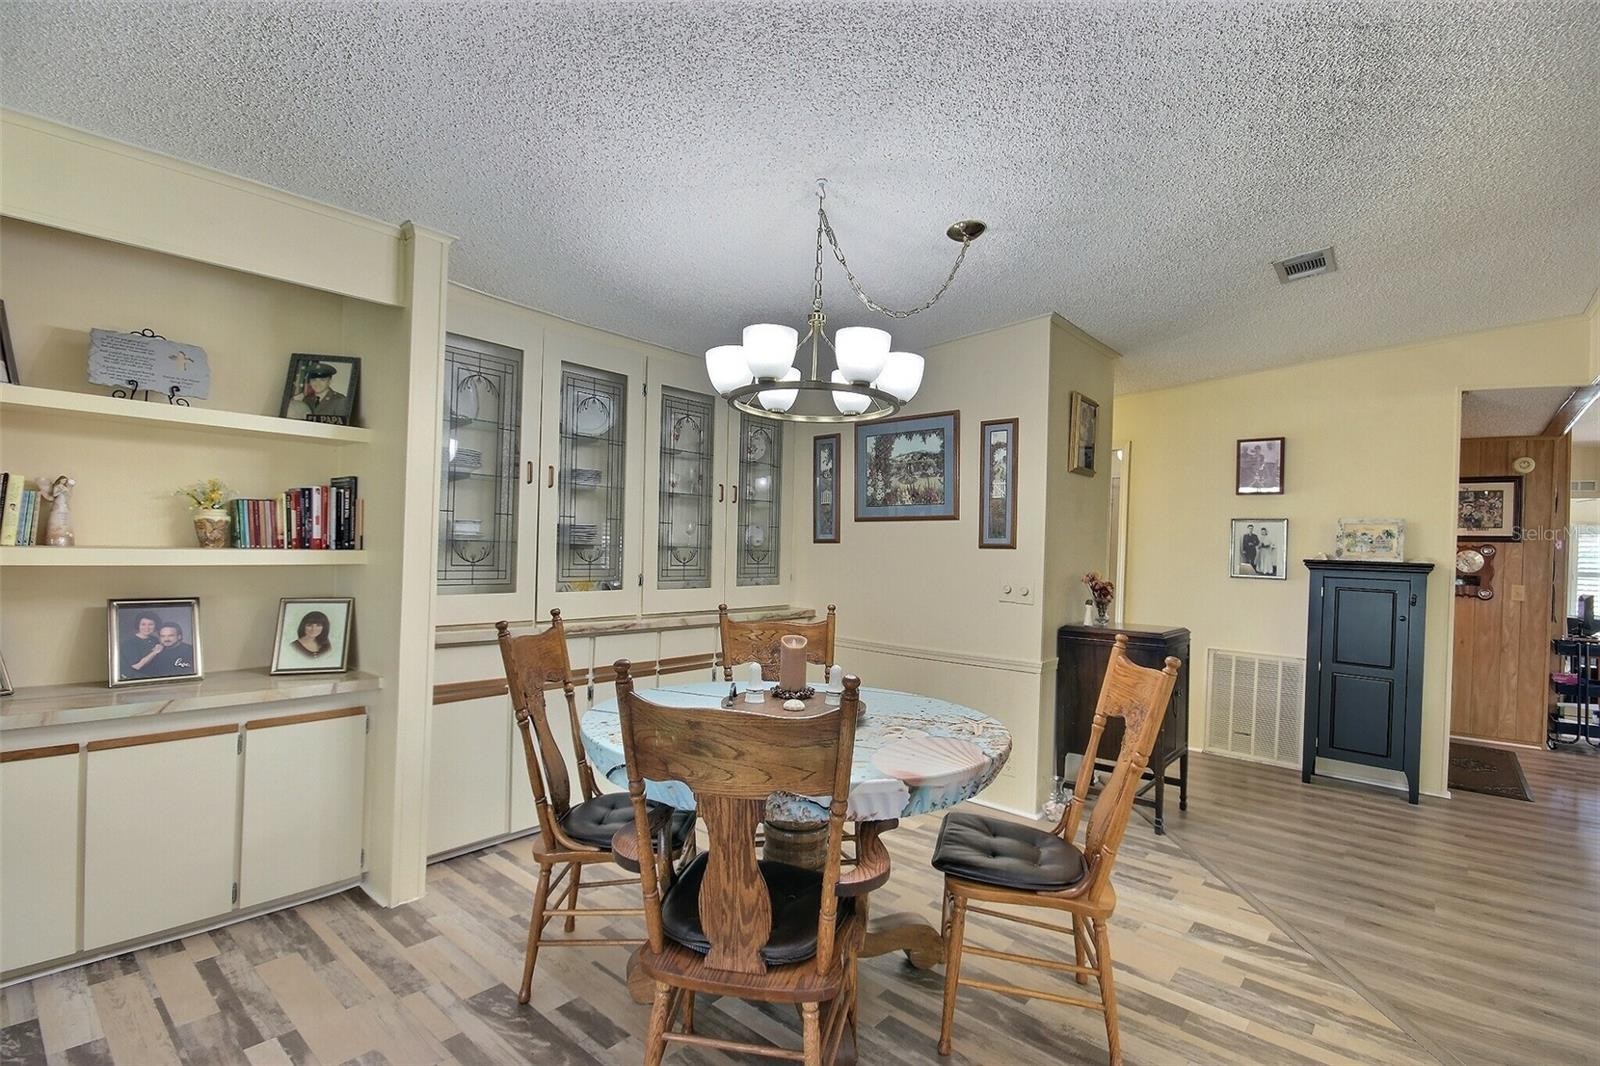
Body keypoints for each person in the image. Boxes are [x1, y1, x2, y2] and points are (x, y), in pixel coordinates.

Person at [286, 362, 352, 423]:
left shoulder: (340, 400)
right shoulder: (307, 399)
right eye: (314, 380)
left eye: (322, 380)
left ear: (330, 381)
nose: (317, 383)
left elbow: (342, 426)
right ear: (310, 382)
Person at [130, 621, 196, 679]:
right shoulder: (155, 652)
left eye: (171, 635)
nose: (166, 639)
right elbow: (136, 668)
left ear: (179, 637)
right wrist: (154, 653)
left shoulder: (192, 651)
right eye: (163, 636)